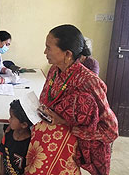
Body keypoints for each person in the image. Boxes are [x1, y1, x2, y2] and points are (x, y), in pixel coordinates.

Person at [25, 25, 118, 175]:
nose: (45, 52)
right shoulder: (54, 70)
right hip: (46, 142)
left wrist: (65, 122)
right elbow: (46, 101)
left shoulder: (89, 81)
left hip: (70, 149)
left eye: (48, 48)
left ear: (67, 53)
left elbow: (111, 130)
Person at [0, 99, 32, 175]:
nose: (9, 120)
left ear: (24, 125)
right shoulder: (8, 134)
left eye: (12, 117)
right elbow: (2, 155)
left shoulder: (29, 145)